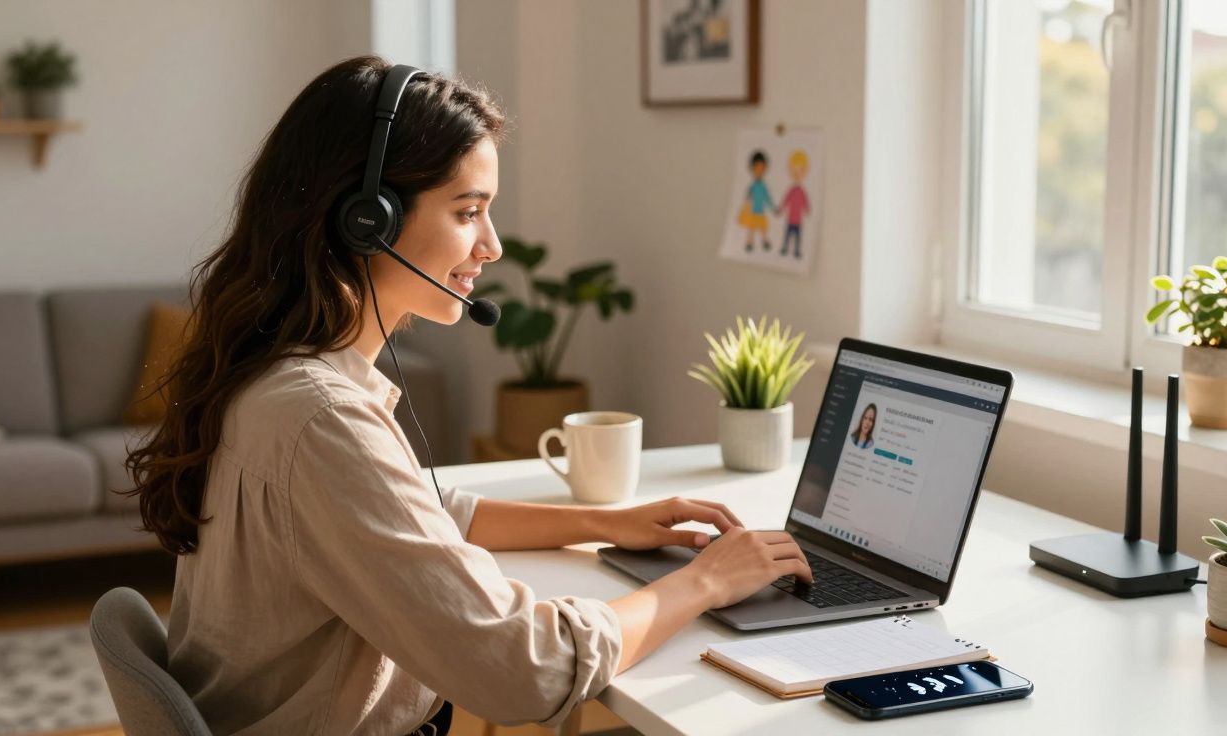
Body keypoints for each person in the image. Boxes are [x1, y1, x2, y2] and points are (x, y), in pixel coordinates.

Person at [125, 57, 813, 736]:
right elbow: (525, 670)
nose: (491, 246)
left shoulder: (273, 376)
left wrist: (606, 522)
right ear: (365, 220)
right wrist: (704, 582)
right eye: (468, 212)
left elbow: (418, 514)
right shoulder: (320, 417)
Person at [738, 150, 774, 252]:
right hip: (753, 212)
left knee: (763, 228)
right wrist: (746, 206)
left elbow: (767, 198)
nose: (759, 171)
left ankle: (765, 241)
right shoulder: (753, 186)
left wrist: (772, 207)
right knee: (752, 228)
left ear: (765, 169)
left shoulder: (763, 186)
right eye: (756, 168)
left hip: (761, 212)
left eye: (762, 168)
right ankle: (750, 242)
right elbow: (748, 197)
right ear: (752, 169)